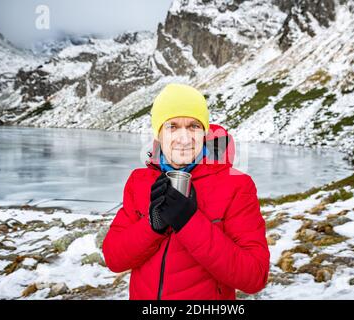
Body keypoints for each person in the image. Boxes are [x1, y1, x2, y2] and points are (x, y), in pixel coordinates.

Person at [102, 83, 270, 300]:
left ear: (205, 132)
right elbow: (114, 259)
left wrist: (189, 222)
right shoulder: (139, 181)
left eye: (193, 126)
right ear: (159, 134)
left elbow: (254, 277)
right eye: (172, 126)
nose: (184, 138)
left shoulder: (237, 186)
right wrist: (153, 224)